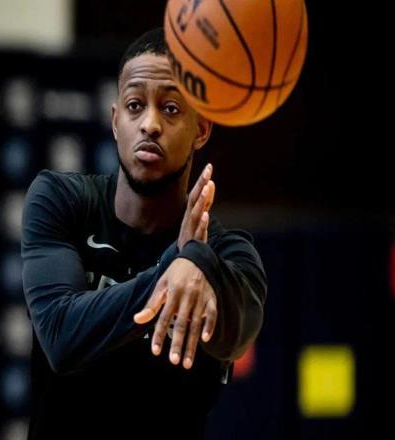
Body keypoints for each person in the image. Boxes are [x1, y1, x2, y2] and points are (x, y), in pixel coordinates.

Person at [21, 27, 267, 439]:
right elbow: (62, 337)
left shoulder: (228, 255)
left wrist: (199, 260)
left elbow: (236, 337)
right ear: (116, 122)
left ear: (201, 129)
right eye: (135, 106)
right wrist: (176, 265)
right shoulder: (62, 201)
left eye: (170, 108)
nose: (150, 124)